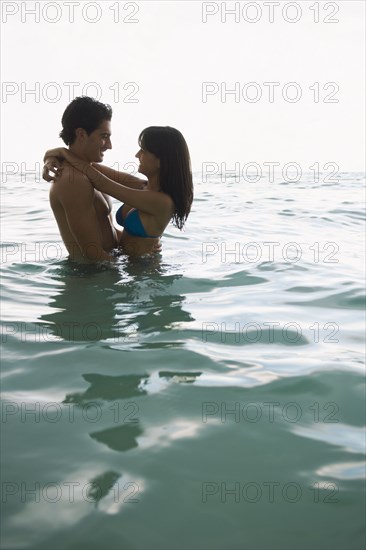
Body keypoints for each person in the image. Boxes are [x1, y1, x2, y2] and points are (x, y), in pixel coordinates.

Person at [44, 123, 194, 259]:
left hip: (144, 273)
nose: (137, 155)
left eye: (144, 151)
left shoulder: (162, 202)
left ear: (160, 161)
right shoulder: (142, 186)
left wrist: (62, 152)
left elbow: (102, 183)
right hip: (129, 265)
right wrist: (51, 156)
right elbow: (91, 167)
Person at [43, 96, 119, 262]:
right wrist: (128, 277)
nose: (109, 145)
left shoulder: (89, 172)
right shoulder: (73, 180)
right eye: (104, 136)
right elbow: (92, 254)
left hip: (103, 273)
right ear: (81, 134)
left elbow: (107, 231)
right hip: (90, 280)